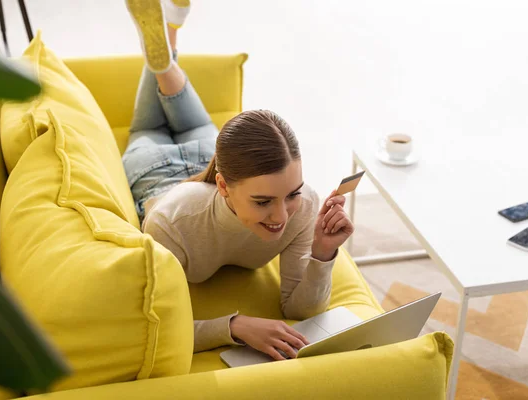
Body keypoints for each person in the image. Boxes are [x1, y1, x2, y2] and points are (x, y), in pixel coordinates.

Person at [123, 0, 355, 361]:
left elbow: (300, 309)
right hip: (154, 168)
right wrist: (233, 327)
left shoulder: (303, 205)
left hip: (207, 149)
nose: (282, 216)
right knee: (147, 126)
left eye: (290, 193)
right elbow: (155, 327)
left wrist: (323, 252)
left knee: (170, 86)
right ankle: (167, 38)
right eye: (263, 202)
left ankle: (166, 46)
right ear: (225, 187)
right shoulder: (170, 224)